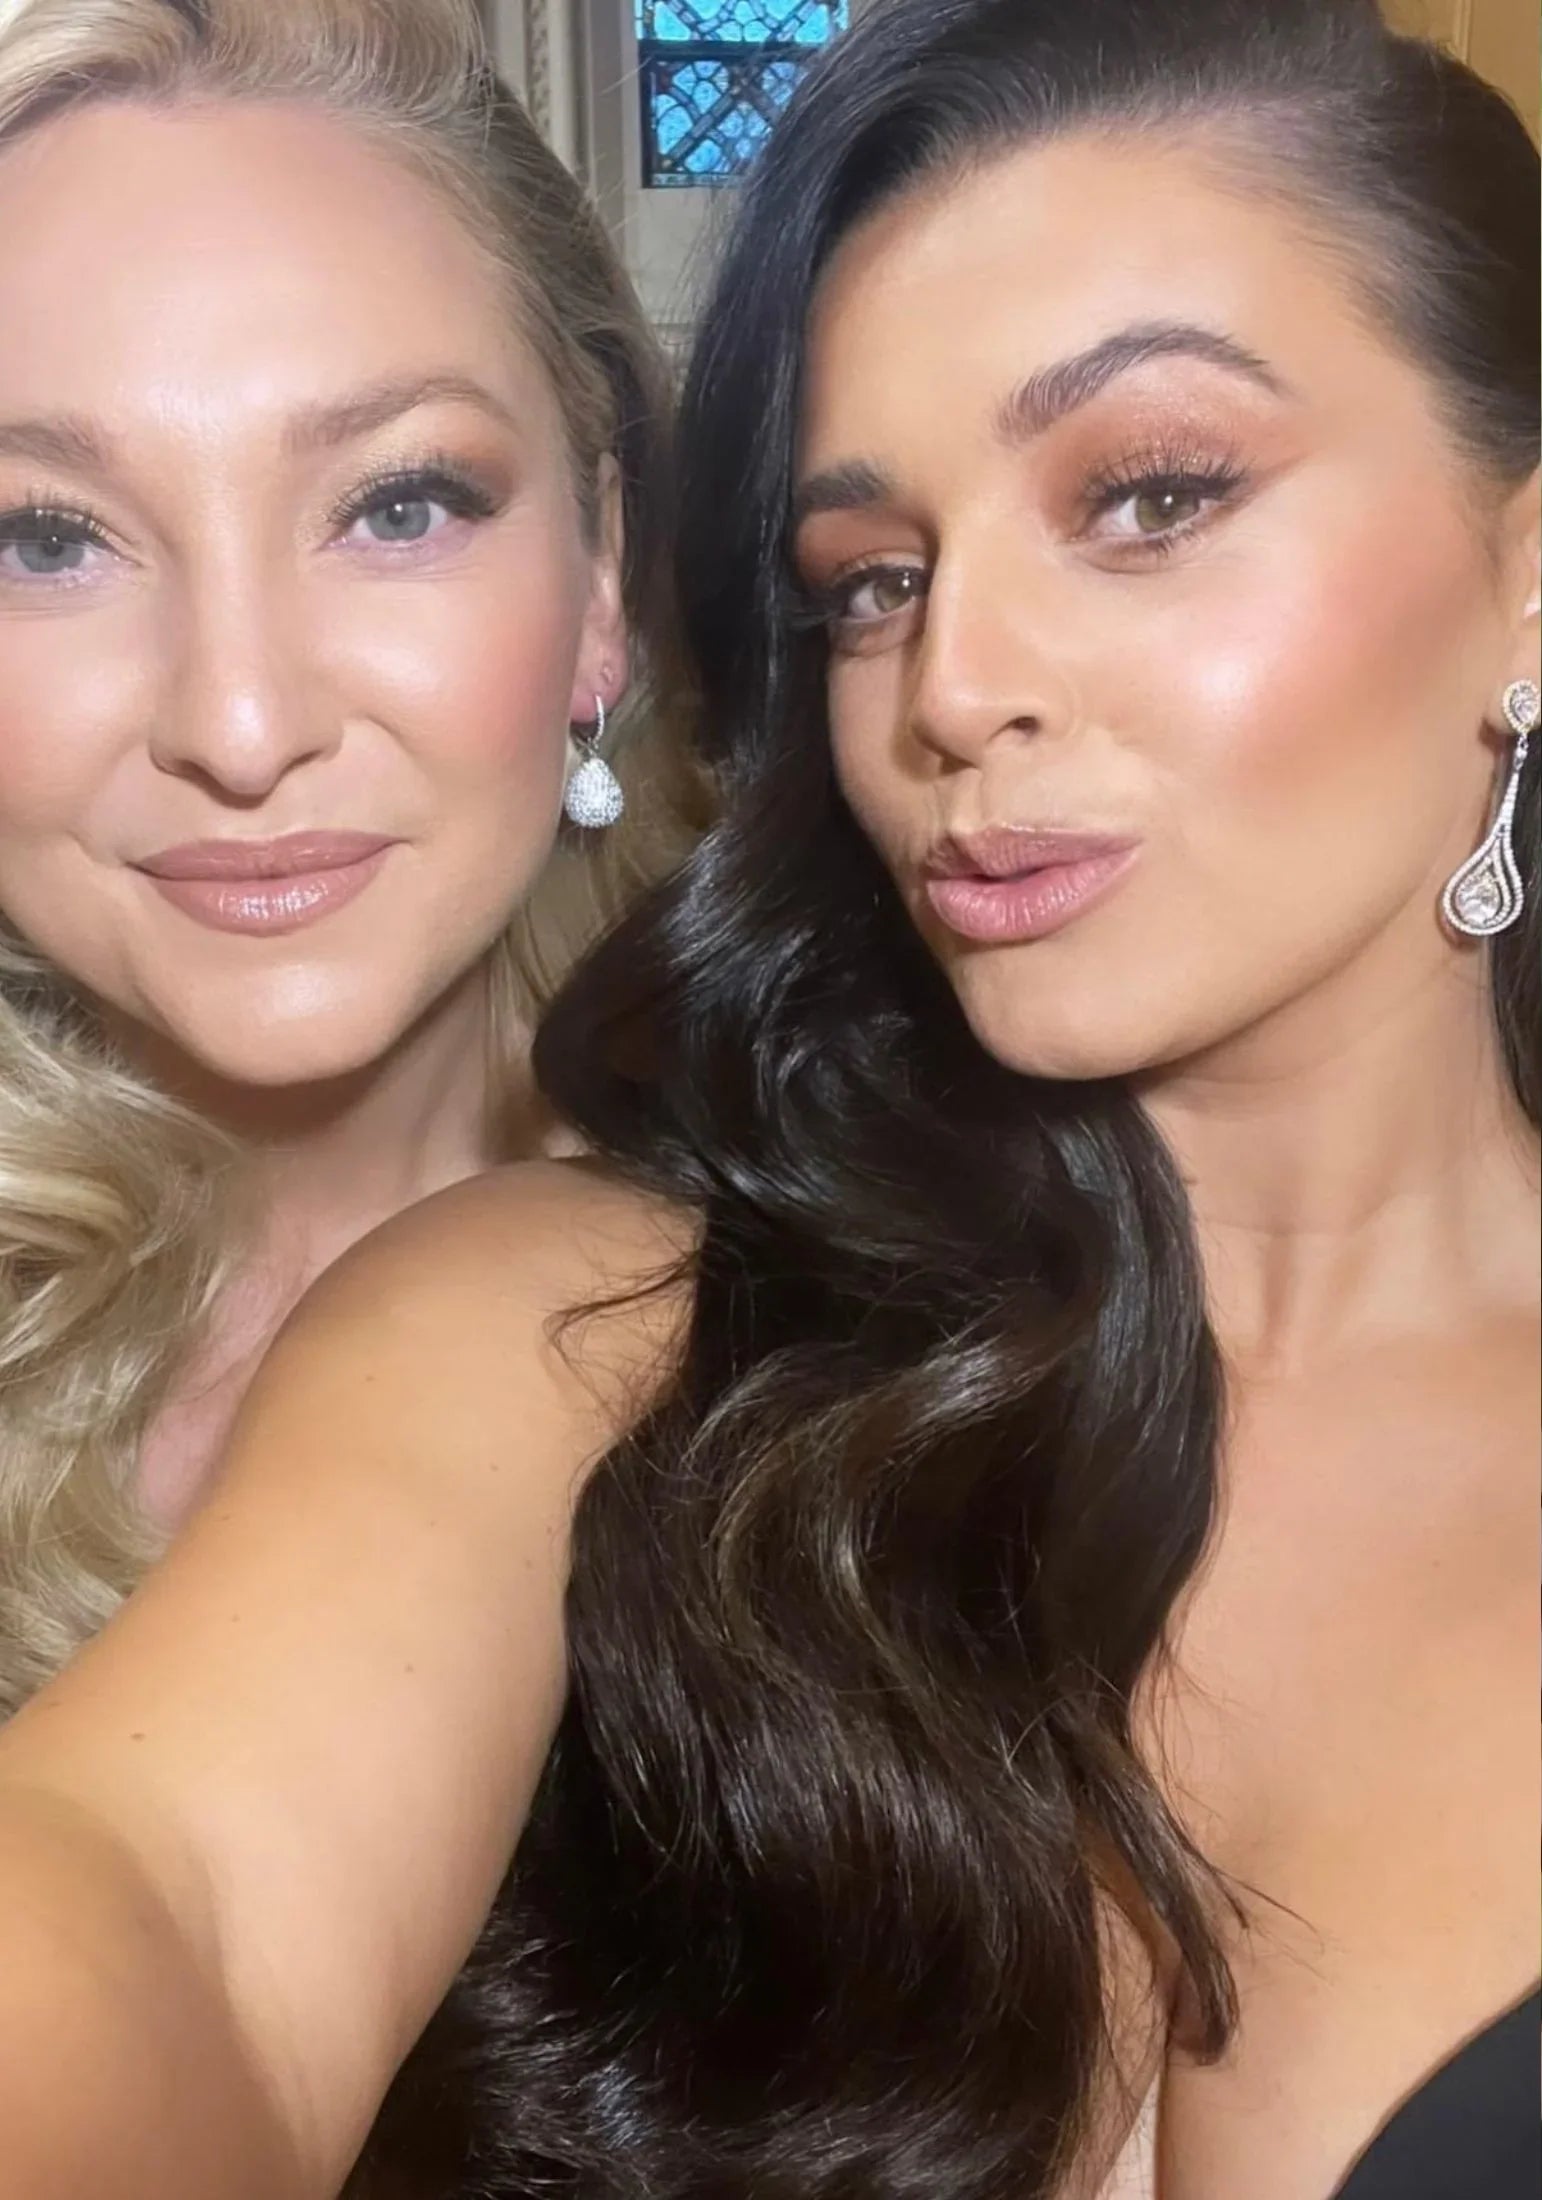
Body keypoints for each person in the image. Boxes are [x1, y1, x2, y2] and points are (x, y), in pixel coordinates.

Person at [0, 1, 1536, 2196]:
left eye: (1151, 496)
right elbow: (185, 1909)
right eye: (872, 582)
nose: (952, 684)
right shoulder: (586, 1304)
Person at [0, 0, 682, 1716]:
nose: (239, 725)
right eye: (44, 540)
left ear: (601, 572)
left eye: (398, 506)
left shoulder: (909, 1278)